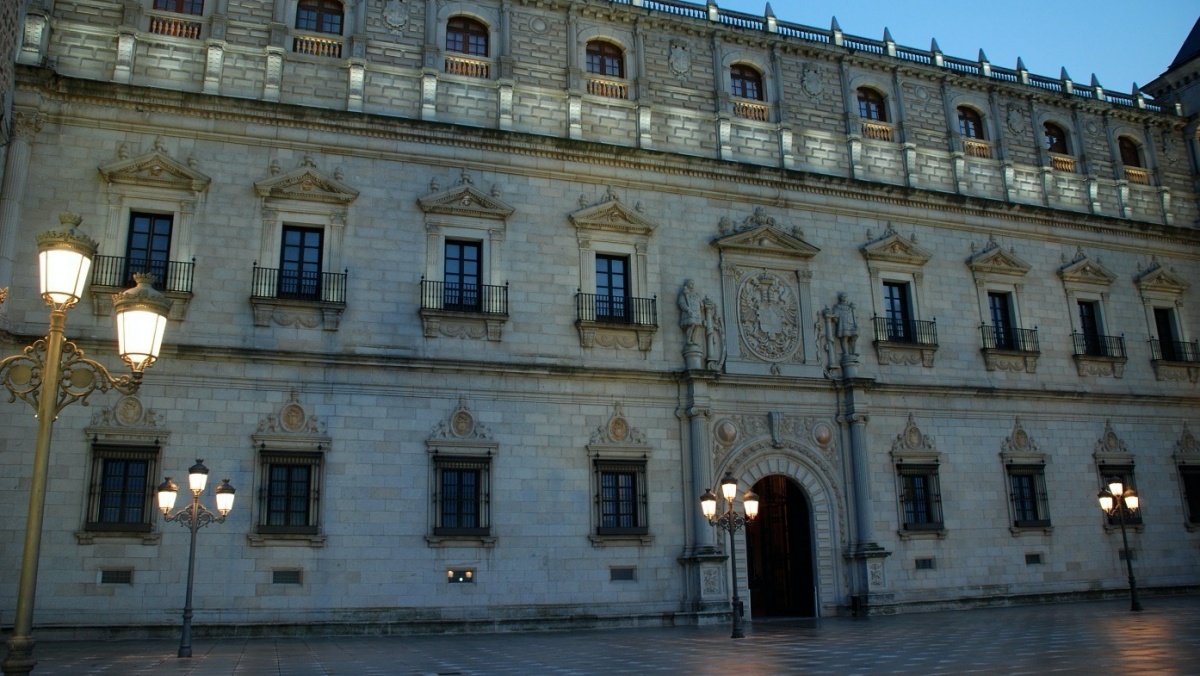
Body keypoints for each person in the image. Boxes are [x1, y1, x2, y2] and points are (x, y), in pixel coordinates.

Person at [677, 280, 703, 348]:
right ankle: (688, 340)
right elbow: (681, 303)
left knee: (697, 326)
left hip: (697, 312)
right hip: (689, 312)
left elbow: (699, 301)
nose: (692, 285)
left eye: (693, 284)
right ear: (688, 284)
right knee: (692, 324)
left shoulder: (695, 294)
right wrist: (688, 309)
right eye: (691, 283)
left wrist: (701, 304)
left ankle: (694, 340)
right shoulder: (684, 293)